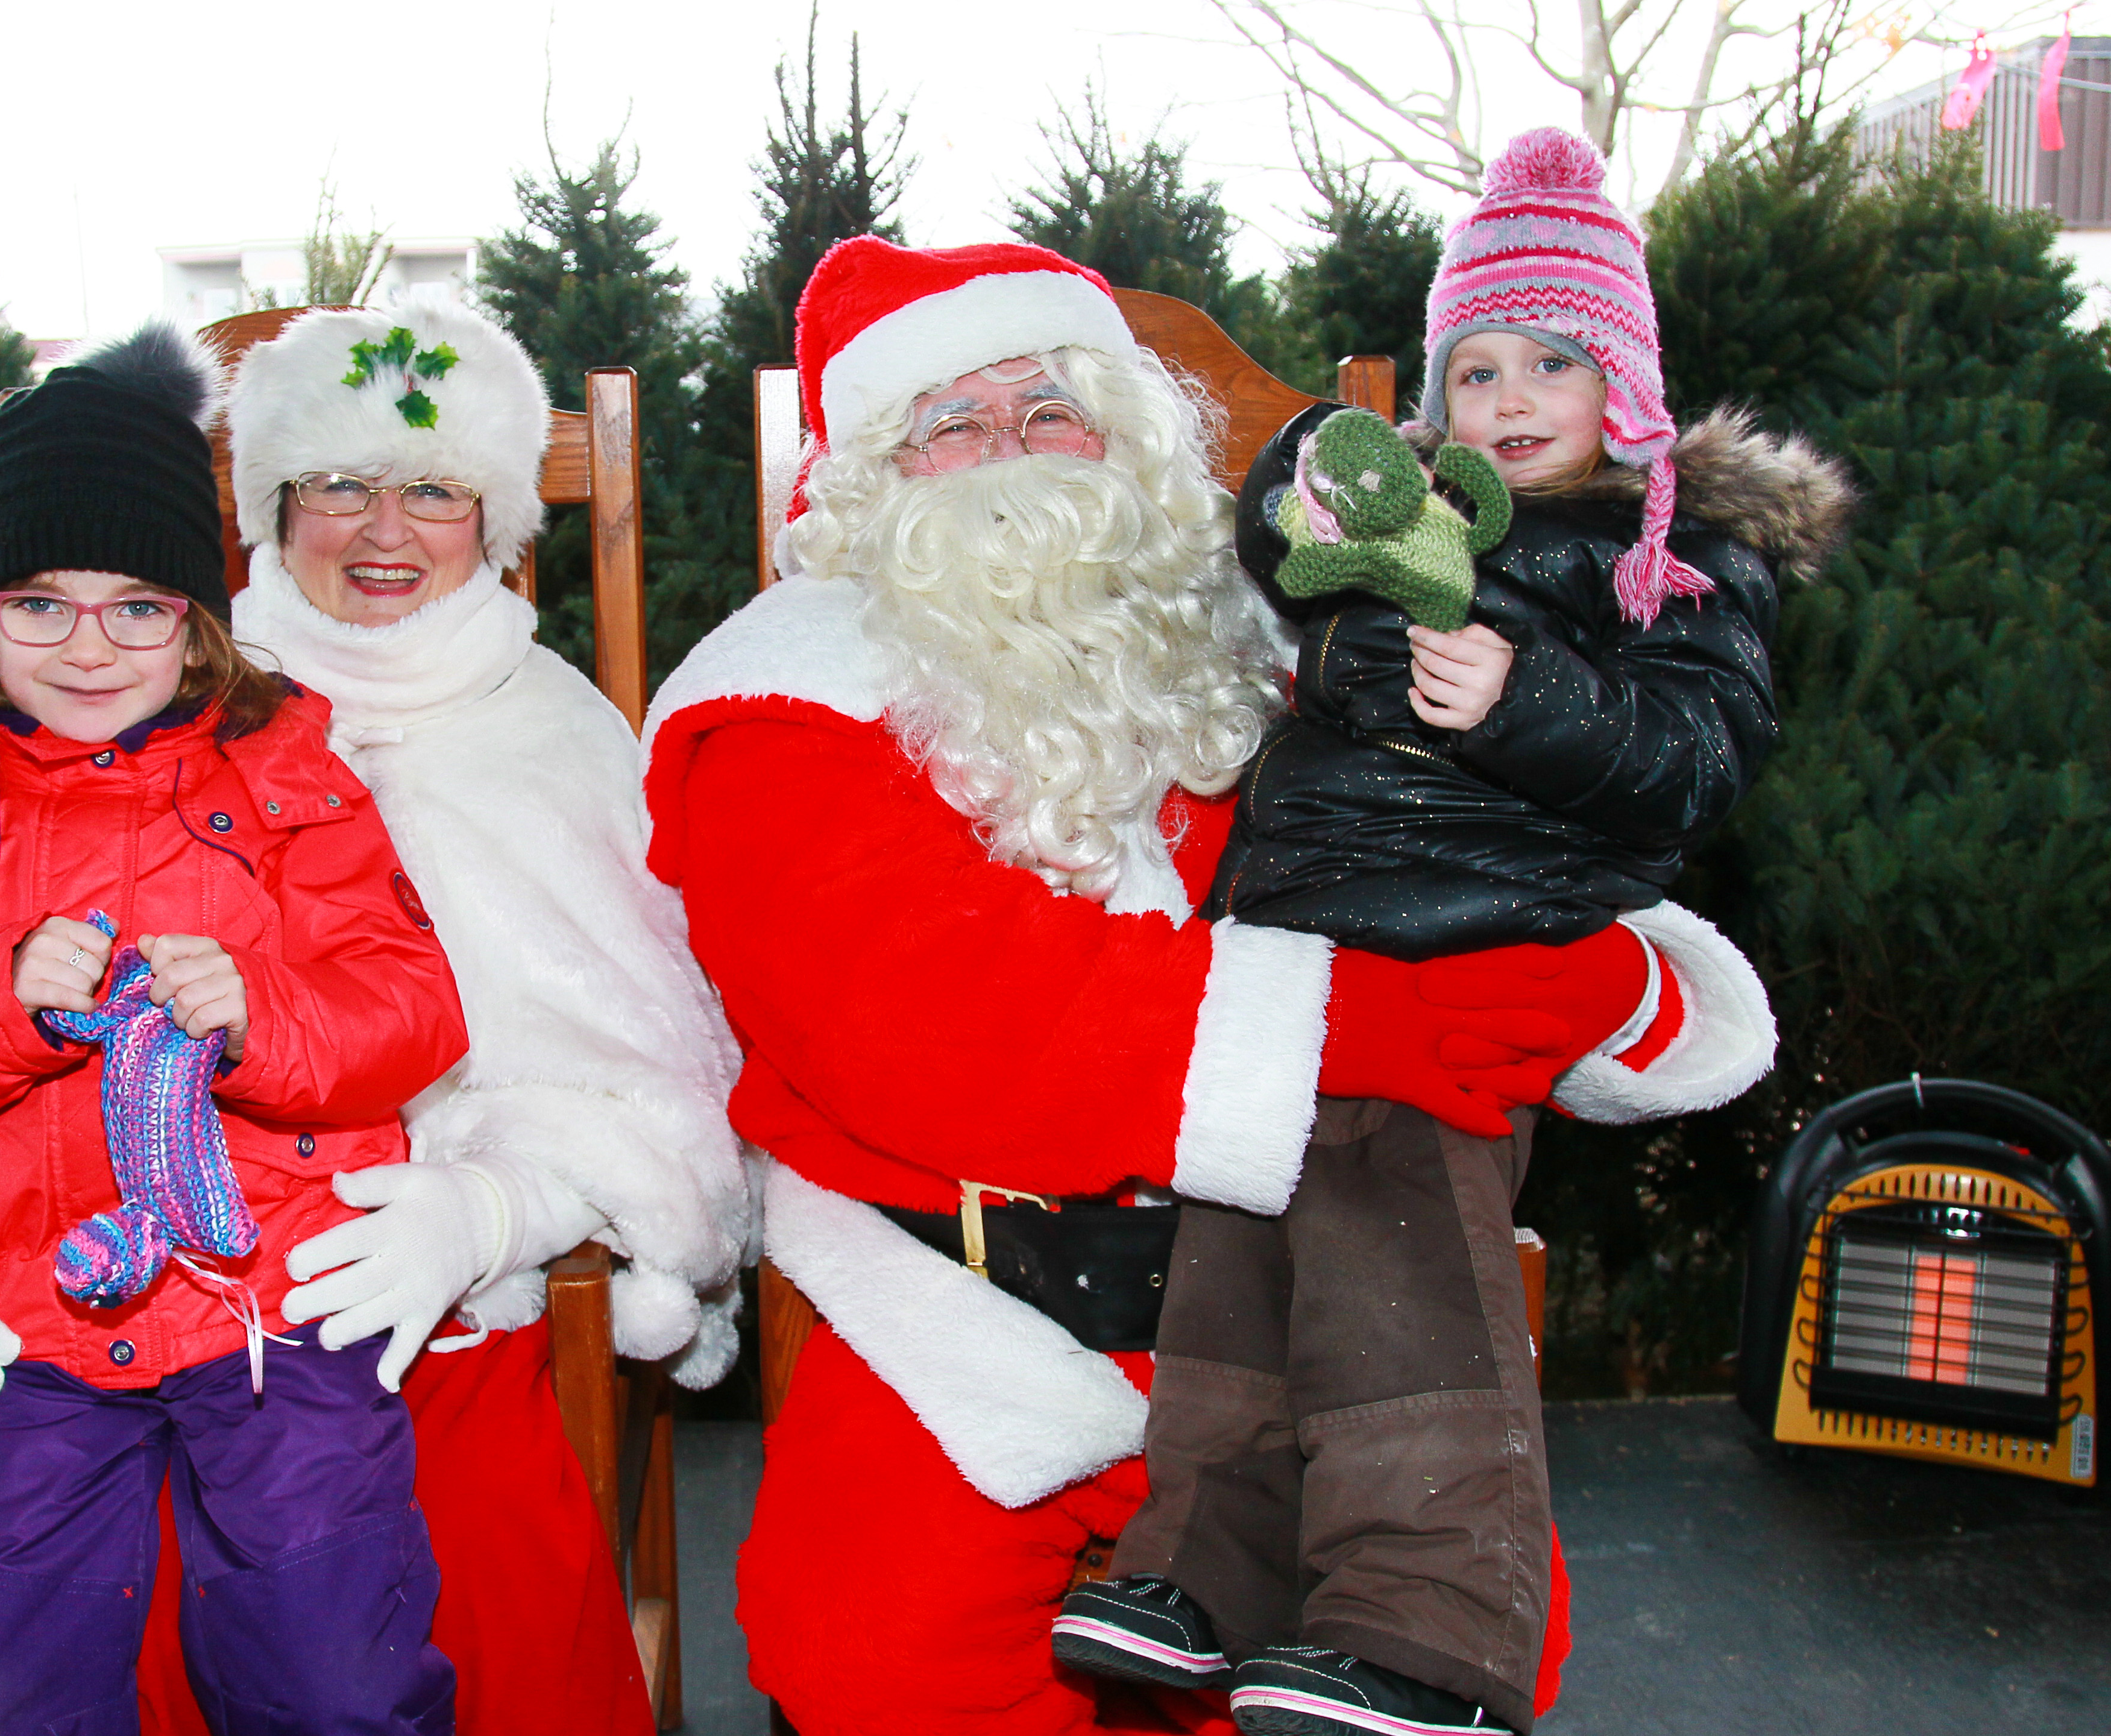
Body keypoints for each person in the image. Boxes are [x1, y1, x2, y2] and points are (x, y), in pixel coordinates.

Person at [636, 236, 1779, 1735]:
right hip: (972, 1328)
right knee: (872, 1654)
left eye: (1051, 411)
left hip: (1316, 1310)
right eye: (949, 424)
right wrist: (1369, 1028)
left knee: (1453, 1645)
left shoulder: (1259, 654)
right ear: (866, 481)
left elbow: (1475, 854)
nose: (1008, 454)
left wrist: (1609, 988)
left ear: (1127, 443)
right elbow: (938, 1021)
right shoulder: (781, 699)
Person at [0, 292, 749, 1736]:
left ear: (500, 520)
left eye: (434, 490)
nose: (384, 529)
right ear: (268, 509)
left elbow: (638, 1085)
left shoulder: (552, 729)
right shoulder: (91, 709)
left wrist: (497, 1211)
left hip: (386, 1307)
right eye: (339, 484)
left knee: (402, 1597)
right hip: (33, 1296)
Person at [1052, 129, 1855, 1736]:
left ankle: (1432, 1628)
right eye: (1476, 363)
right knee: (1238, 1245)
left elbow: (1689, 765)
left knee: (1392, 1257)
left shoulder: (1669, 554)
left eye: (1553, 357)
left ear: (1623, 380)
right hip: (1300, 943)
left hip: (1474, 939)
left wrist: (1527, 694)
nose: (1509, 394)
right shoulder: (1413, 506)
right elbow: (1277, 532)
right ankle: (1211, 1567)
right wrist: (1341, 461)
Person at [0, 324, 467, 1734]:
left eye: (138, 607)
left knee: (335, 1677)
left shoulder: (294, 781)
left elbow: (411, 1009)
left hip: (271, 1305)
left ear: (200, 620)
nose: (90, 647)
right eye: (40, 605)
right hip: (12, 1310)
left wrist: (264, 1019)